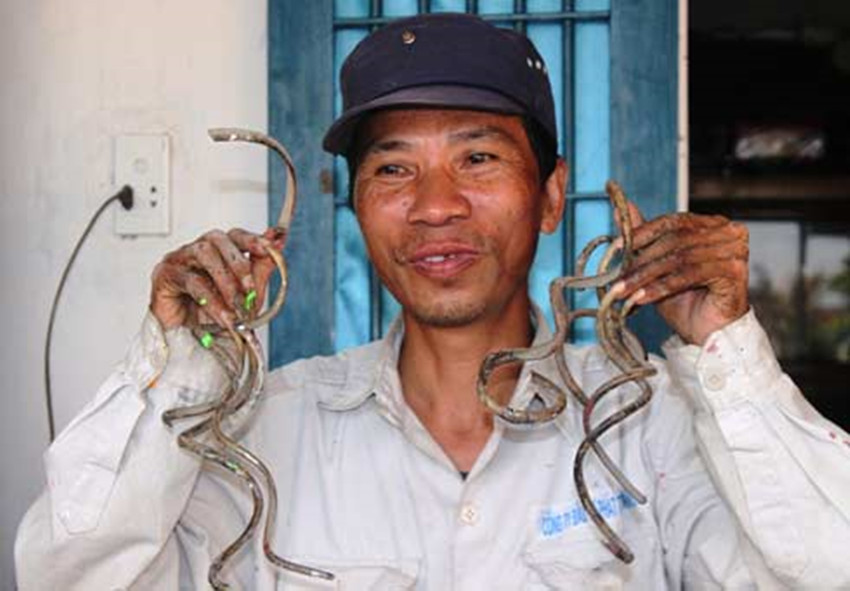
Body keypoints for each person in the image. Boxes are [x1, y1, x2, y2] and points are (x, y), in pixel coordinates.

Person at [15, 13, 850, 590]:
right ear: (356, 208)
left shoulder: (645, 421)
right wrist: (177, 367)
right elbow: (71, 576)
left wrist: (727, 354)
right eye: (393, 167)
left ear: (551, 195)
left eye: (478, 157)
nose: (435, 204)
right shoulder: (272, 430)